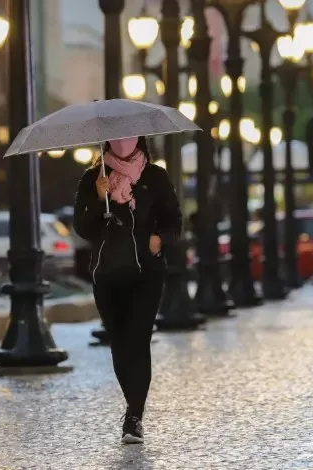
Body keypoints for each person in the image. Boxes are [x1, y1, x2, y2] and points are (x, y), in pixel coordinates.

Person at [73, 135, 181, 445]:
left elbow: (174, 220)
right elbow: (82, 227)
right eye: (116, 138)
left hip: (146, 273)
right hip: (107, 274)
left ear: (139, 139)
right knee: (119, 343)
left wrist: (159, 239)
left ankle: (134, 417)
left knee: (138, 338)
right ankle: (133, 410)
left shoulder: (155, 177)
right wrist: (97, 198)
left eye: (129, 136)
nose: (123, 142)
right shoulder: (93, 177)